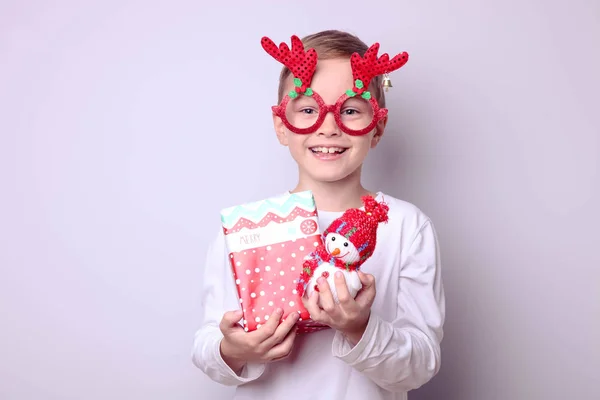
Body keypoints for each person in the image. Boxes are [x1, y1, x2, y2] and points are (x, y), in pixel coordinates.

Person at [191, 30, 445, 400]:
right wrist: (234, 350)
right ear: (282, 126)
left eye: (351, 110)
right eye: (308, 109)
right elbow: (207, 343)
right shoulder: (247, 228)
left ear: (377, 126)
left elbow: (420, 365)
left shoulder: (407, 226)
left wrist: (360, 328)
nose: (329, 127)